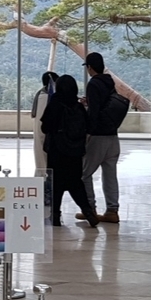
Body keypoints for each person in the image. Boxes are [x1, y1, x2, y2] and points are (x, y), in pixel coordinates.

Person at [40, 75, 97, 227]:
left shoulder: (55, 104)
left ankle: (55, 216)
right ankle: (88, 211)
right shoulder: (78, 106)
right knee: (75, 183)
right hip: (75, 152)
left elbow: (45, 127)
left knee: (56, 184)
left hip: (57, 151)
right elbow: (87, 126)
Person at [79, 53, 124, 224]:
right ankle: (112, 210)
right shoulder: (109, 82)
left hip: (98, 136)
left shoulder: (93, 84)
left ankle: (89, 208)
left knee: (84, 173)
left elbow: (95, 112)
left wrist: (88, 132)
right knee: (110, 174)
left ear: (90, 67)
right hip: (113, 136)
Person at [29, 72, 57, 172]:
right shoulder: (49, 97)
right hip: (46, 131)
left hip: (39, 131)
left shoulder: (40, 94)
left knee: (40, 158)